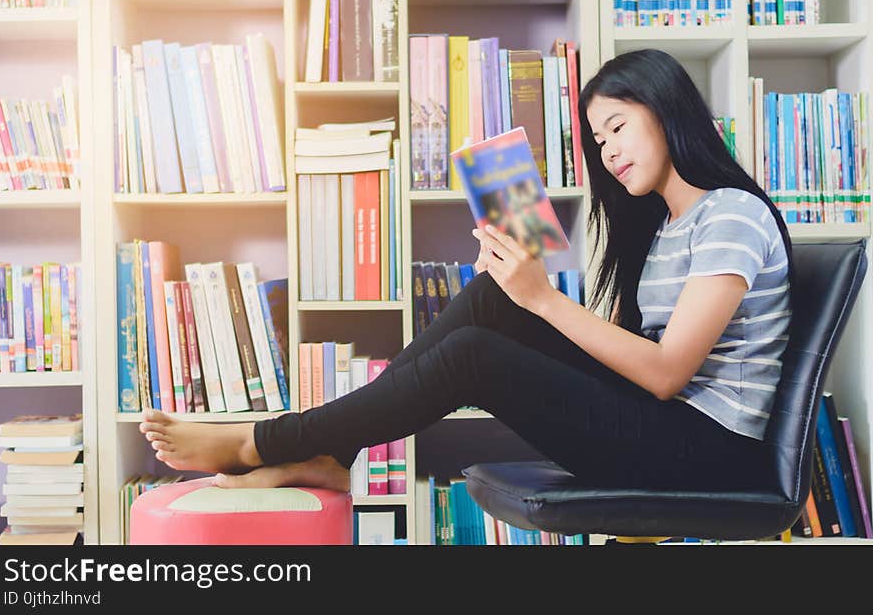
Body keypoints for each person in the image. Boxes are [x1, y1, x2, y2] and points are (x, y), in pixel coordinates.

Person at [140, 49, 793, 495]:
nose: (609, 151)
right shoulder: (667, 227)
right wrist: (522, 290)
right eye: (597, 141)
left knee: (478, 351)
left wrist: (543, 299)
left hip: (705, 452)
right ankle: (332, 453)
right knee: (490, 299)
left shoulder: (730, 214)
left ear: (666, 108)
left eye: (617, 127)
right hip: (666, 429)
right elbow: (632, 363)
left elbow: (666, 371)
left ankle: (269, 440)